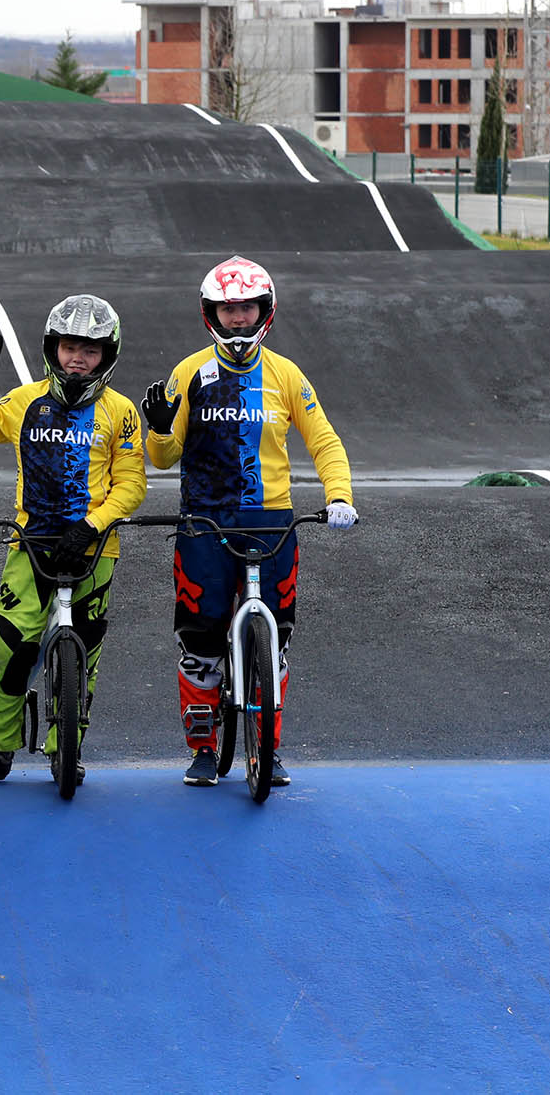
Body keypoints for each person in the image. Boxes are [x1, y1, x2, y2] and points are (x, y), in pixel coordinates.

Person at [139, 256, 356, 788]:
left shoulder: (286, 374)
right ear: (211, 313)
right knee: (201, 639)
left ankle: (269, 748)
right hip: (204, 523)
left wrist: (340, 495)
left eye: (246, 307)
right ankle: (201, 748)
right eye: (228, 308)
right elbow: (161, 458)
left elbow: (323, 440)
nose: (238, 318)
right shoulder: (188, 372)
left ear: (266, 310)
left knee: (276, 640)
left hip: (271, 521)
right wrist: (162, 430)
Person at [0, 294, 144, 786]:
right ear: (52, 349)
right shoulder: (22, 401)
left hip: (94, 547)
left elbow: (133, 485)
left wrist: (93, 524)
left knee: (87, 651)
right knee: (11, 644)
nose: (77, 358)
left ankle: (66, 752)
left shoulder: (120, 412)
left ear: (108, 356)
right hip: (30, 545)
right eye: (69, 347)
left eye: (90, 350)